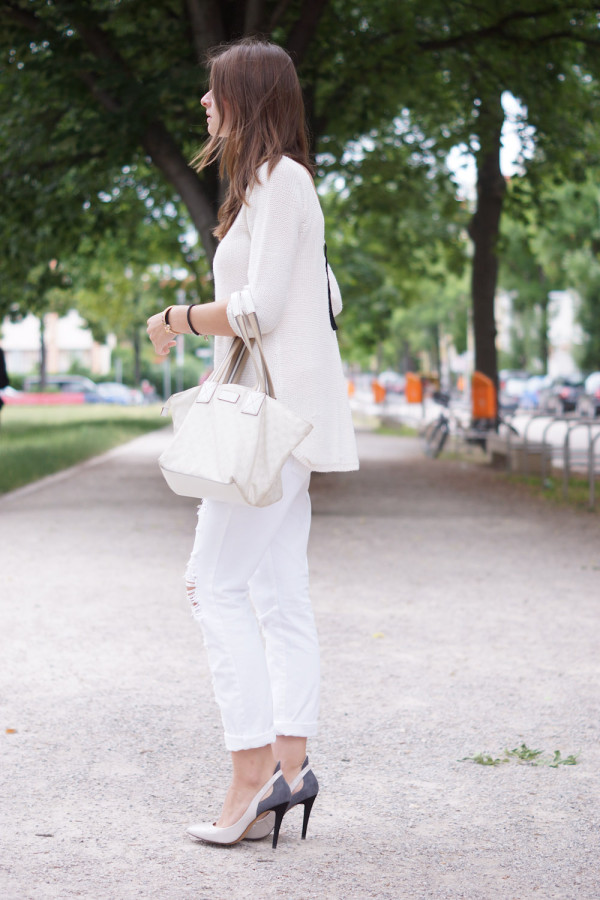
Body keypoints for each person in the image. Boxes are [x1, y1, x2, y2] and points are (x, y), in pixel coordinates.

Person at [147, 38, 358, 849]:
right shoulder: (274, 186)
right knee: (276, 593)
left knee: (210, 584)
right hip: (282, 423)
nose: (204, 104)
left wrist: (177, 319)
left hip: (267, 426)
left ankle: (250, 772)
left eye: (214, 91)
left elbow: (262, 307)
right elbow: (319, 293)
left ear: (248, 96)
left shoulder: (281, 181)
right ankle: (291, 765)